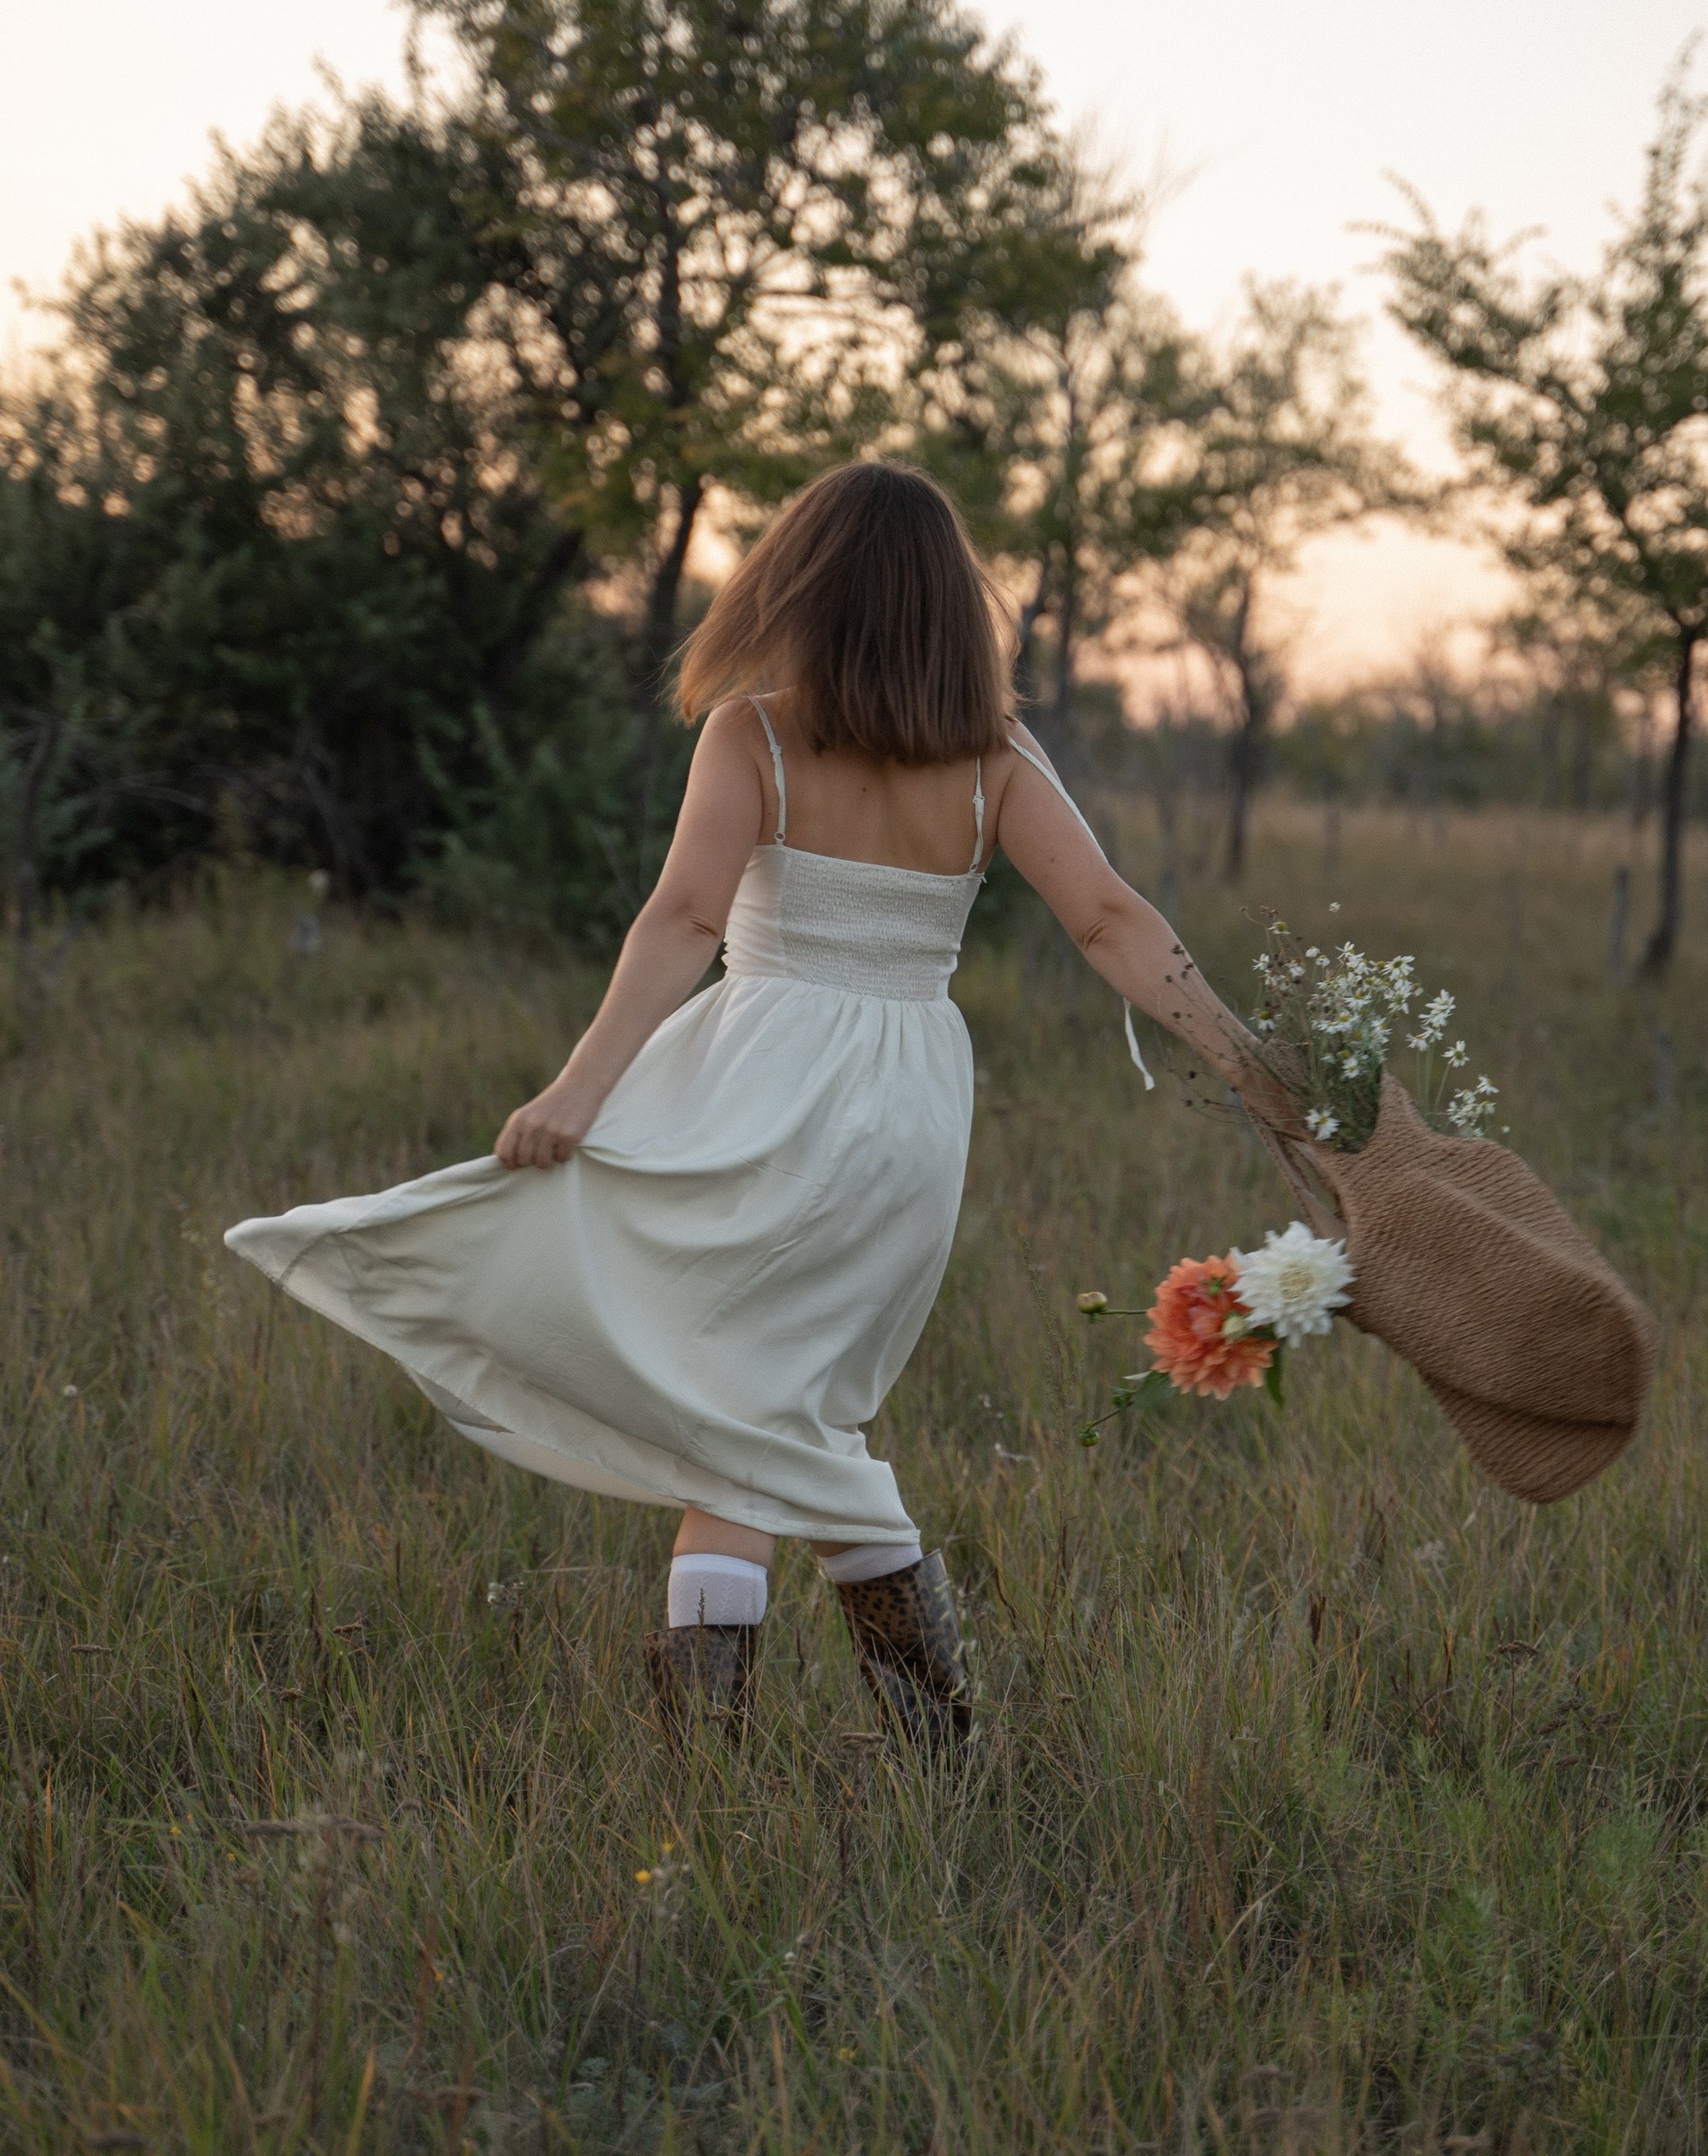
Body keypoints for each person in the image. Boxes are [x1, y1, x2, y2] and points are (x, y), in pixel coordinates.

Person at [226, 463, 1251, 1751]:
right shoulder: (994, 760)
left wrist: (576, 1093)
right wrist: (1246, 1058)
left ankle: (726, 1771)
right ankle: (931, 1743)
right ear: (950, 607)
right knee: (786, 1413)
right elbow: (1107, 918)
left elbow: (686, 921)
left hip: (769, 1090)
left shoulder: (757, 735)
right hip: (912, 1115)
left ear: (802, 589)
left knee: (750, 1412)